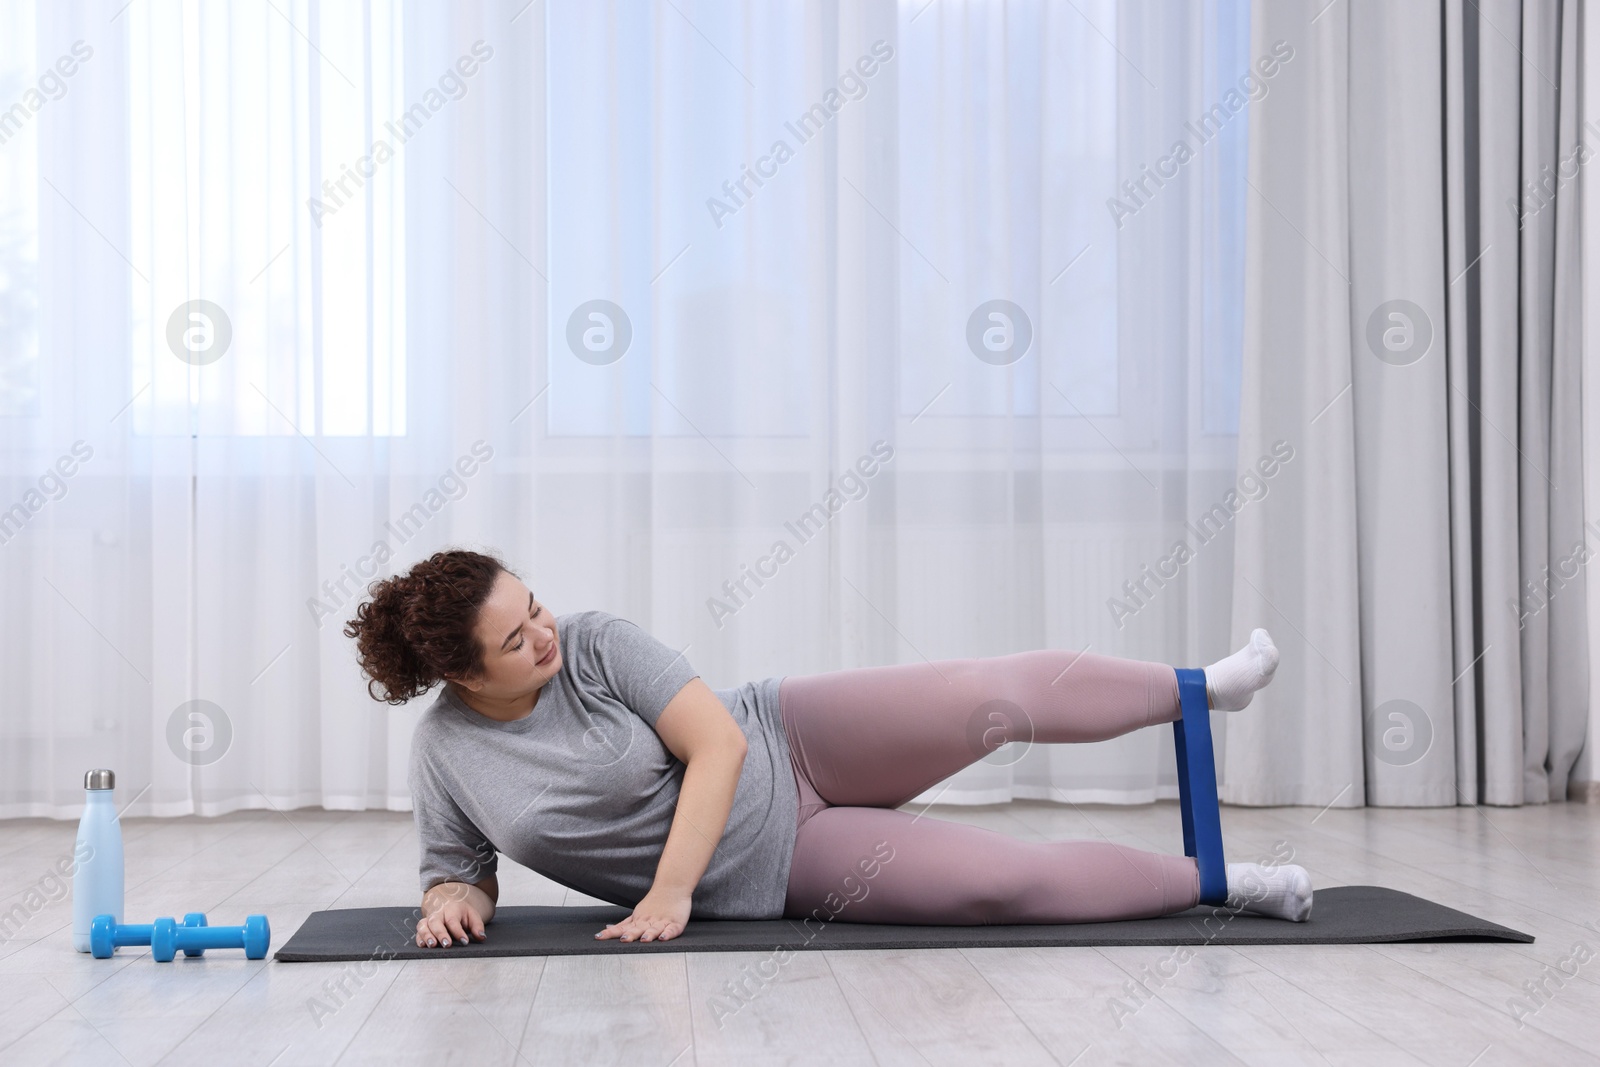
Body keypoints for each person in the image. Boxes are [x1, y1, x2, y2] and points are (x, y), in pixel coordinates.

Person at [345, 548, 1312, 949]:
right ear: (464, 679)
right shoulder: (448, 755)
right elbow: (458, 871)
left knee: (990, 697)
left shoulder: (596, 641)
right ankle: (1223, 881)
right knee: (1003, 887)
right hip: (783, 864)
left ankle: (1196, 686)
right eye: (516, 640)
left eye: (535, 606)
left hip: (790, 733)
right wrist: (451, 906)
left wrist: (668, 892)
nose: (544, 633)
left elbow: (716, 745)